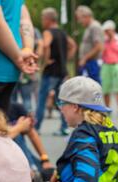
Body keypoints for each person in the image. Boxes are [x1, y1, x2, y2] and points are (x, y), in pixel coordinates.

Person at [35, 8, 77, 136]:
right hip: (62, 71)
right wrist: (65, 59)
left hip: (50, 72)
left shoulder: (48, 32)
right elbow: (73, 45)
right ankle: (64, 127)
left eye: (43, 19)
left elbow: (46, 45)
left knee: (42, 99)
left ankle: (36, 127)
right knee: (62, 100)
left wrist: (45, 61)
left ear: (48, 19)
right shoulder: (63, 32)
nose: (42, 21)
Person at [11, 27, 44, 112]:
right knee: (27, 98)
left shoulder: (11, 27)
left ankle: (12, 120)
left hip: (13, 69)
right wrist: (35, 58)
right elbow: (41, 45)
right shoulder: (32, 30)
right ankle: (28, 119)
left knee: (13, 99)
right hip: (26, 71)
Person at [101, 20, 118, 118]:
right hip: (106, 65)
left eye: (107, 30)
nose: (106, 33)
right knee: (106, 88)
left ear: (112, 30)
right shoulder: (104, 40)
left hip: (117, 65)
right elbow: (101, 53)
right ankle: (108, 109)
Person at [76, 6, 104, 83]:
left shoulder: (94, 27)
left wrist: (84, 58)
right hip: (89, 62)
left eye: (79, 18)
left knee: (94, 85)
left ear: (86, 16)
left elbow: (98, 46)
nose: (79, 21)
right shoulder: (89, 27)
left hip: (93, 62)